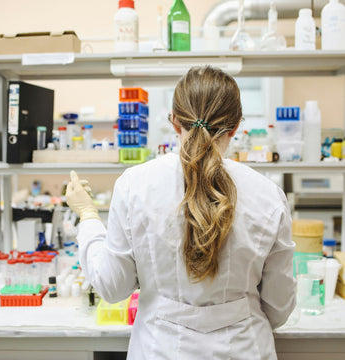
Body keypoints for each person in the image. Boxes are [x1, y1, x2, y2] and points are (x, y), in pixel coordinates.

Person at [66, 65, 296, 360]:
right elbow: (279, 305)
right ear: (236, 126)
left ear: (174, 122)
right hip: (244, 348)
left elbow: (113, 287)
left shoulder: (135, 185)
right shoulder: (268, 194)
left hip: (159, 350)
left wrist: (87, 214)